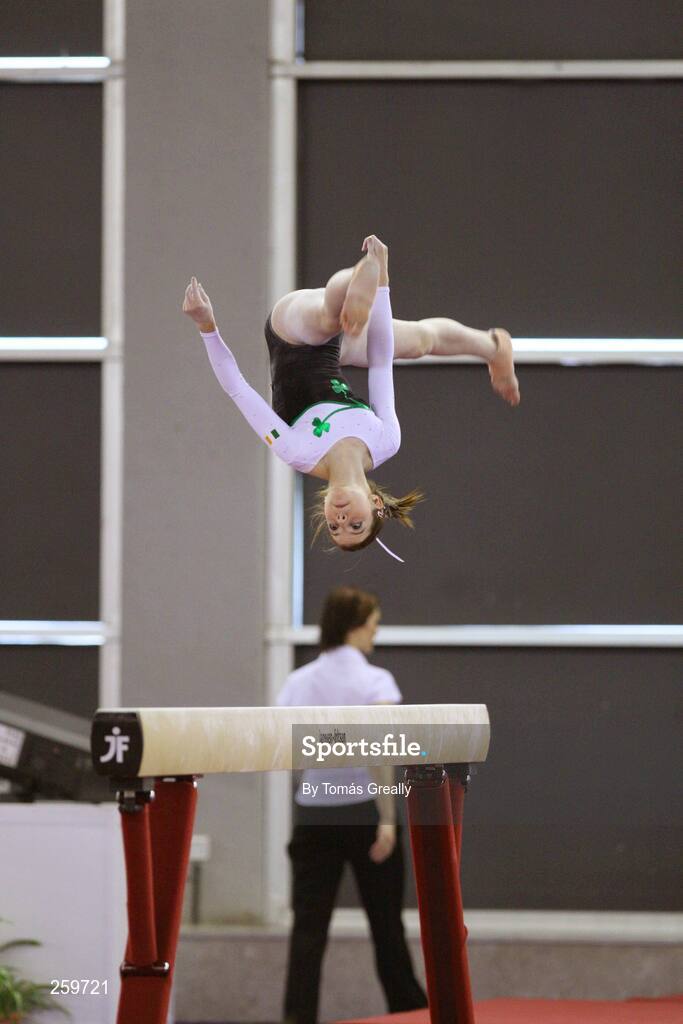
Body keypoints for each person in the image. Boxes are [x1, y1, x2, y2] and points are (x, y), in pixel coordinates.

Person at [183, 235, 519, 557]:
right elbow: (381, 360)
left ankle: (356, 276)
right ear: (376, 505)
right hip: (335, 348)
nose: (341, 519)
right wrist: (383, 284)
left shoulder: (297, 452)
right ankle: (492, 346)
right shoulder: (385, 441)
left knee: (328, 320)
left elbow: (237, 387)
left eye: (333, 526)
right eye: (355, 525)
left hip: (290, 331)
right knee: (419, 343)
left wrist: (206, 327)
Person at [275, 587, 428, 1024]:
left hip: (315, 814)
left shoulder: (297, 682)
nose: (374, 637)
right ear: (356, 626)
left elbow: (284, 752)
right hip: (363, 813)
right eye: (373, 627)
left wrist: (312, 792)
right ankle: (410, 1012)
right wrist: (387, 818)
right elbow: (383, 756)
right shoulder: (376, 682)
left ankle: (297, 1017)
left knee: (308, 932)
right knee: (387, 929)